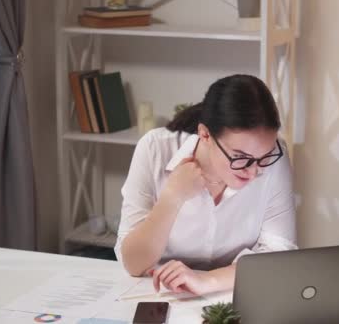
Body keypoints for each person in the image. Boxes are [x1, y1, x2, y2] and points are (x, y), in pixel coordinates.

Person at [115, 74, 296, 296]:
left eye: (265, 156)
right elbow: (133, 264)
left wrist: (208, 280)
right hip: (160, 295)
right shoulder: (155, 150)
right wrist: (172, 197)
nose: (254, 171)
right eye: (241, 157)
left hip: (233, 296)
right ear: (205, 134)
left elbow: (278, 256)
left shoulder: (276, 159)